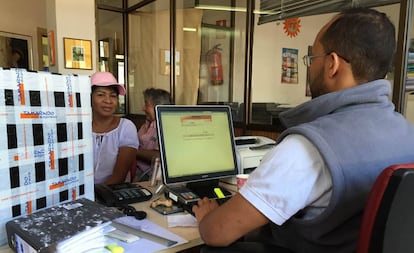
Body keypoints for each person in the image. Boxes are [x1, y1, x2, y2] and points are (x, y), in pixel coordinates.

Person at [193, 7, 414, 253]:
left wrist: (207, 217)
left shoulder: (309, 148)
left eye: (312, 58)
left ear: (332, 64)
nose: (310, 68)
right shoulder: (407, 135)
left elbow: (218, 232)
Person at [91, 71, 139, 184]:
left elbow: (119, 176)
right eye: (101, 94)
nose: (108, 101)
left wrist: (95, 197)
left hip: (112, 193)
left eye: (113, 96)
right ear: (89, 97)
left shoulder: (126, 127)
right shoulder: (79, 126)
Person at [134, 88, 171, 181]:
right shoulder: (146, 124)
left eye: (147, 104)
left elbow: (161, 156)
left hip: (151, 176)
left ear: (158, 106)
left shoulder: (165, 126)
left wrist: (133, 151)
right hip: (136, 169)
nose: (143, 108)